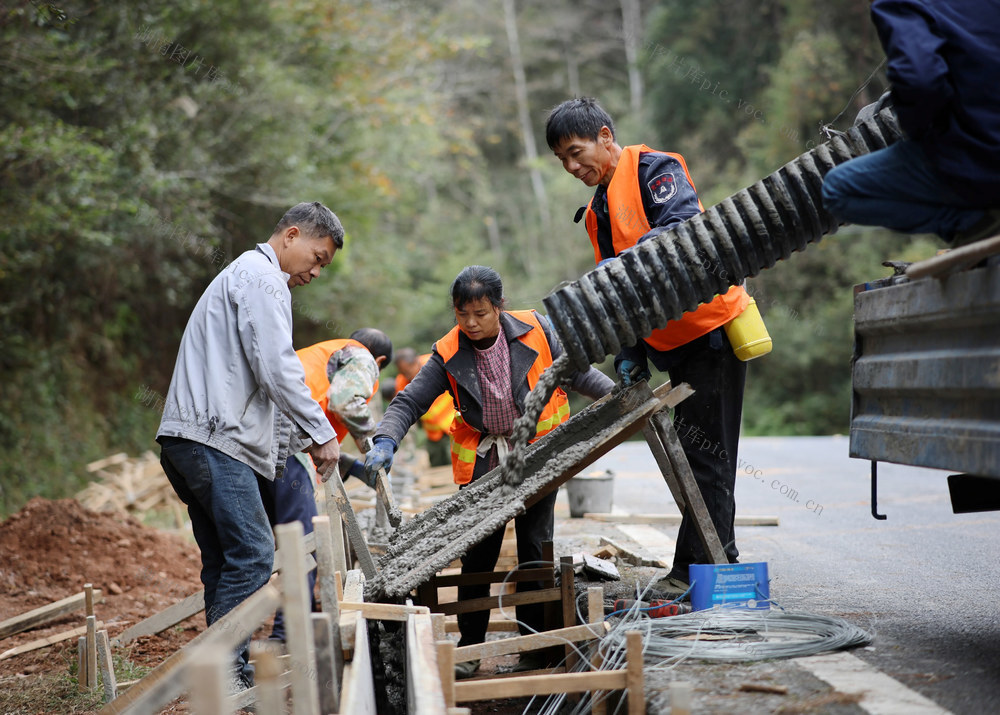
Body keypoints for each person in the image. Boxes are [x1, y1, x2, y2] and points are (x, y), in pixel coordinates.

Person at [364, 265, 614, 677]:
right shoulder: (447, 351)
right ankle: (471, 647)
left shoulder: (537, 329)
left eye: (480, 313)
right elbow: (410, 402)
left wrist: (617, 395)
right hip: (484, 462)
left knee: (535, 549)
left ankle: (534, 644)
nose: (471, 323)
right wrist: (386, 438)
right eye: (463, 315)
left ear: (499, 307)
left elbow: (579, 372)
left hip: (538, 454)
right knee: (479, 553)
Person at [545, 97, 750, 594]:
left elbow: (679, 229)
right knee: (695, 453)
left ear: (605, 137)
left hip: (710, 331)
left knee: (708, 456)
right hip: (671, 342)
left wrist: (614, 270)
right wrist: (630, 348)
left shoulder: (656, 170)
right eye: (563, 161)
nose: (573, 167)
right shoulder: (597, 209)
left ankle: (694, 572)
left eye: (577, 152)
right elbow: (627, 291)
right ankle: (720, 554)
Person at [156, 201, 344, 690]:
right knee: (257, 553)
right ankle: (223, 671)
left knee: (225, 558)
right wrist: (323, 433)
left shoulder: (248, 276)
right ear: (292, 235)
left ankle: (224, 674)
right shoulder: (261, 278)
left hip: (190, 439)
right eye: (318, 257)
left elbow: (264, 380)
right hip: (215, 441)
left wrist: (297, 442)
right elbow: (278, 368)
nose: (317, 271)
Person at [821, 0, 1000, 245]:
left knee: (837, 190)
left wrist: (916, 129)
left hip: (981, 161)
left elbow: (920, 81)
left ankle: (974, 223)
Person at [261, 328, 393, 643]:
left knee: (279, 543)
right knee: (304, 542)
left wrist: (350, 466)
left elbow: (317, 429)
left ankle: (282, 628)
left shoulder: (325, 354)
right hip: (283, 450)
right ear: (380, 360)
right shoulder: (361, 357)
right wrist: (371, 446)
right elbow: (346, 401)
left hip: (258, 443)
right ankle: (289, 634)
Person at [393, 347, 456, 465]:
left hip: (453, 426)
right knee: (437, 465)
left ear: (415, 362)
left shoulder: (435, 364)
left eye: (407, 371)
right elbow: (405, 407)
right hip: (433, 433)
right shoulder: (401, 381)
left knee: (456, 465)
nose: (406, 376)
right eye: (402, 373)